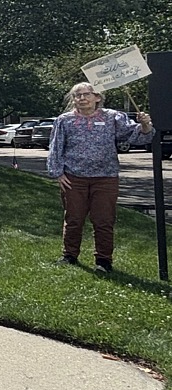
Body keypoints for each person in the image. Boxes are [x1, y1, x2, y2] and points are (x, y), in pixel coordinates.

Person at [47, 82, 154, 273]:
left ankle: (103, 261)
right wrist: (58, 173)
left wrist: (145, 125)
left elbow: (136, 136)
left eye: (86, 94)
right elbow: (56, 147)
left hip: (106, 178)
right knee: (74, 219)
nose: (82, 98)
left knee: (104, 220)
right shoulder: (64, 120)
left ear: (97, 97)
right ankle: (69, 255)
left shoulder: (112, 117)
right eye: (77, 95)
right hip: (74, 178)